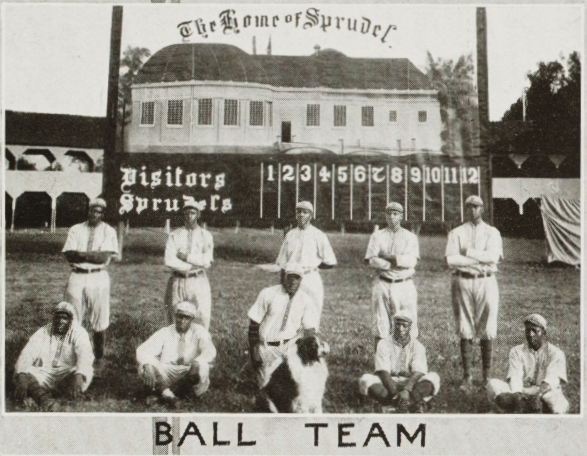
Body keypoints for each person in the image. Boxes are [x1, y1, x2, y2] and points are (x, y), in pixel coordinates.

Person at [445, 195, 503, 392]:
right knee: (465, 326)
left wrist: (468, 252)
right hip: (463, 280)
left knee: (487, 327)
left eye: (476, 207)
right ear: (465, 209)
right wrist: (480, 260)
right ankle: (467, 376)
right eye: (469, 207)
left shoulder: (492, 232)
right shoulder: (456, 232)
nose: (472, 210)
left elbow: (494, 258)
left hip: (486, 281)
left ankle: (486, 376)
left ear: (482, 209)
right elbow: (451, 261)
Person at [62, 197, 118, 365]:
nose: (95, 214)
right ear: (88, 211)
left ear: (103, 214)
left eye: (98, 211)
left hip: (97, 276)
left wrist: (81, 254)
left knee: (99, 315)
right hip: (77, 274)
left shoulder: (109, 231)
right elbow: (69, 254)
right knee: (72, 314)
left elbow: (102, 257)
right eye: (92, 210)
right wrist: (90, 255)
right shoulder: (76, 229)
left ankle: (99, 356)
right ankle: (72, 355)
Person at [14, 302, 94, 412]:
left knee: (84, 372)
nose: (60, 321)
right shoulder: (44, 331)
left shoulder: (79, 333)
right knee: (26, 373)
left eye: (65, 318)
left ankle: (48, 397)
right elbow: (28, 353)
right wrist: (22, 375)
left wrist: (79, 375)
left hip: (67, 373)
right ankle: (46, 401)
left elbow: (84, 355)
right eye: (58, 317)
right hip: (46, 373)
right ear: (53, 318)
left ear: (71, 320)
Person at [248, 263, 318, 387]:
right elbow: (254, 323)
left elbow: (310, 329)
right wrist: (254, 349)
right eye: (290, 277)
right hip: (267, 347)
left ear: (301, 280)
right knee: (265, 387)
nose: (292, 282)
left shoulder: (306, 300)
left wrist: (308, 352)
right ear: (284, 277)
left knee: (296, 386)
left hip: (290, 348)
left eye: (296, 278)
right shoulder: (268, 293)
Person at [359, 310, 440, 413]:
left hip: (410, 383)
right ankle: (410, 404)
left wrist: (406, 390)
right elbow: (383, 371)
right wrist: (395, 393)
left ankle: (393, 405)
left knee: (433, 378)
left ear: (410, 327)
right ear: (393, 325)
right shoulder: (383, 344)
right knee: (366, 379)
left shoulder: (418, 346)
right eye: (397, 325)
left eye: (404, 325)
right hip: (388, 383)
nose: (400, 328)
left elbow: (418, 372)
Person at [136, 302, 217, 404]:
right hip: (168, 371)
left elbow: (209, 351)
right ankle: (170, 396)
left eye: (187, 318)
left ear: (191, 319)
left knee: (203, 367)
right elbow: (143, 350)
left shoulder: (199, 332)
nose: (182, 321)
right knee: (145, 366)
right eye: (180, 317)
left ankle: (171, 394)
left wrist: (197, 362)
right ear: (175, 316)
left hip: (188, 370)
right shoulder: (165, 332)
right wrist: (147, 365)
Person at [487, 314, 569, 414]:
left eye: (535, 330)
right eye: (527, 331)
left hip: (543, 392)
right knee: (493, 384)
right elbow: (515, 377)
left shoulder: (555, 353)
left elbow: (551, 381)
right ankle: (522, 407)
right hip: (522, 391)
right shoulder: (516, 351)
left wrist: (537, 396)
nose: (530, 334)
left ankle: (511, 408)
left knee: (555, 402)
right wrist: (518, 397)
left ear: (544, 332)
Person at [365, 202, 419, 347]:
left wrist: (390, 257)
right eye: (389, 214)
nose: (392, 217)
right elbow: (371, 260)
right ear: (385, 216)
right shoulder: (377, 236)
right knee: (380, 324)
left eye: (395, 214)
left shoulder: (410, 237)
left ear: (401, 216)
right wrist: (390, 264)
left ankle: (404, 362)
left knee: (405, 323)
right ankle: (382, 365)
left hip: (404, 284)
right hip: (382, 283)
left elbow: (411, 261)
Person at [275, 201, 336, 328]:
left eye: (305, 212)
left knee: (312, 315)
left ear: (311, 215)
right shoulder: (290, 235)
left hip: (310, 279)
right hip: (292, 279)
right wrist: (283, 285)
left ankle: (310, 345)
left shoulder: (318, 235)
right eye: (299, 212)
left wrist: (313, 267)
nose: (301, 215)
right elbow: (282, 263)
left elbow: (330, 262)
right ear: (295, 214)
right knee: (291, 316)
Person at [164, 200, 214, 329]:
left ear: (198, 215)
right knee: (174, 316)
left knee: (201, 317)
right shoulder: (174, 235)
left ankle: (199, 346)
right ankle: (176, 347)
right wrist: (191, 265)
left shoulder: (206, 235)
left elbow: (207, 261)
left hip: (198, 280)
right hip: (177, 279)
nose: (189, 216)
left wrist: (186, 257)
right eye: (186, 213)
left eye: (192, 213)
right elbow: (169, 260)